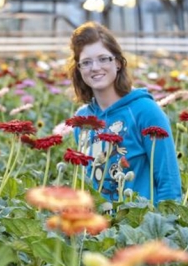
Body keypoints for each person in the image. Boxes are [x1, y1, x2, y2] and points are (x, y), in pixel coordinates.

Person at [68, 22, 182, 205]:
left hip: (140, 227)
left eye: (103, 59)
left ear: (118, 63)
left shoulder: (145, 111)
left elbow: (169, 182)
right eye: (86, 62)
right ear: (79, 69)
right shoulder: (83, 121)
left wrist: (164, 225)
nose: (95, 67)